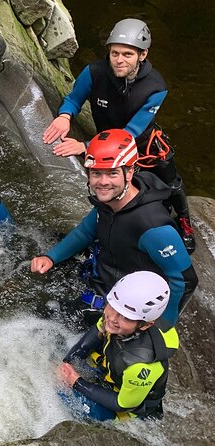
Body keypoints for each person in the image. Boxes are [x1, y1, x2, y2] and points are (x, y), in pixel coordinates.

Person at [42, 18, 195, 253]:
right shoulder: (94, 72)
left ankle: (184, 222)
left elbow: (131, 132)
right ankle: (108, 233)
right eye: (114, 53)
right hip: (104, 145)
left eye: (127, 54)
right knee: (112, 192)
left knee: (171, 183)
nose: (119, 60)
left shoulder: (155, 86)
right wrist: (64, 116)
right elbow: (74, 99)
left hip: (143, 146)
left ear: (142, 55)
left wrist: (85, 146)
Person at [31, 129, 197, 326]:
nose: (103, 182)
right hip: (102, 279)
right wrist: (51, 257)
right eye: (96, 173)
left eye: (112, 173)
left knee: (43, 322)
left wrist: (160, 327)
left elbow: (185, 281)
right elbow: (86, 231)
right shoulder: (110, 201)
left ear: (129, 172)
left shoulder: (152, 226)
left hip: (122, 305)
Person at [59, 271, 178, 421]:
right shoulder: (116, 317)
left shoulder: (141, 365)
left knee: (65, 397)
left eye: (126, 317)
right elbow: (92, 336)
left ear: (145, 325)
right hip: (112, 369)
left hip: (126, 405)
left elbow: (122, 403)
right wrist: (66, 363)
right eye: (113, 307)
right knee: (58, 349)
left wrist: (76, 382)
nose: (112, 318)